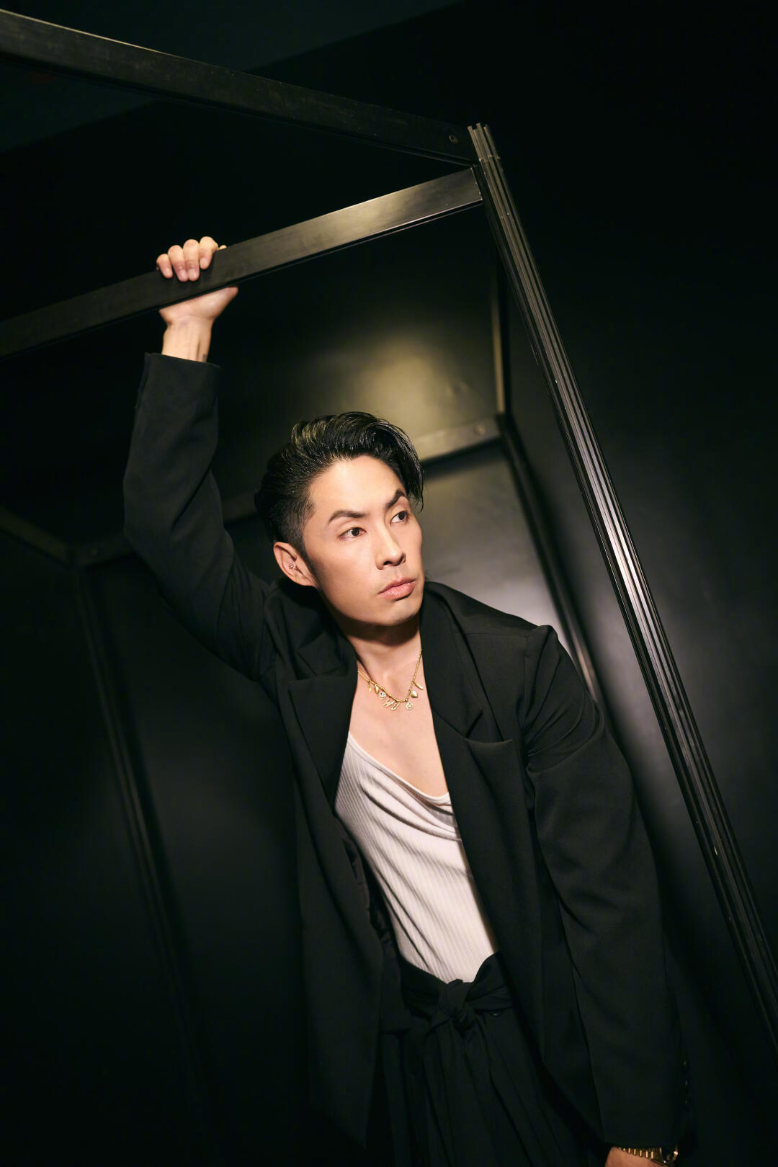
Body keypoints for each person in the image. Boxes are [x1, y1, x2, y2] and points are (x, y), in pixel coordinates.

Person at [122, 235, 692, 1166]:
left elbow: (613, 906)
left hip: (563, 1046)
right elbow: (162, 526)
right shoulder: (290, 656)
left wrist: (641, 1135)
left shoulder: (521, 666)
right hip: (427, 1059)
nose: (391, 547)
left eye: (397, 512)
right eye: (351, 530)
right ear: (294, 563)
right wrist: (187, 329)